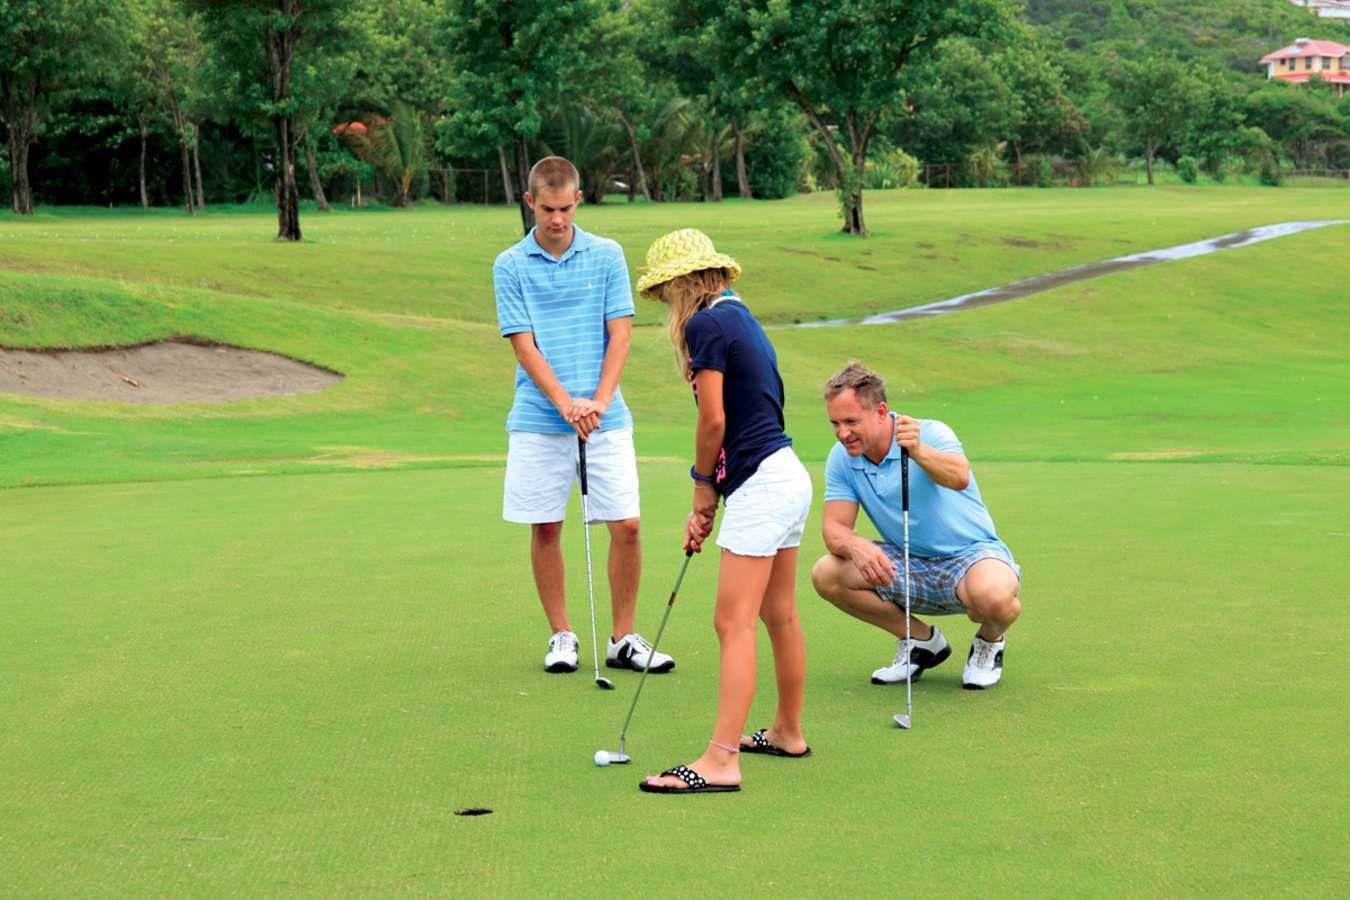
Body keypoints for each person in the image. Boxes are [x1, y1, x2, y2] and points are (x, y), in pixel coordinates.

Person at [635, 229, 812, 795]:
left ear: (684, 281)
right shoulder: (740, 315)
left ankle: (720, 760)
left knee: (731, 622)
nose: (665, 303)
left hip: (762, 482)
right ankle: (786, 730)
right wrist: (715, 485)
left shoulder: (706, 324)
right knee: (777, 613)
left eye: (665, 291)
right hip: (786, 474)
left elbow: (713, 421)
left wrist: (701, 490)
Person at [492, 156, 673, 676]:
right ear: (530, 202)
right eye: (547, 209)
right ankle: (562, 635)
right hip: (538, 416)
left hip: (605, 416)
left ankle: (623, 639)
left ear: (579, 201)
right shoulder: (510, 264)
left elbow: (620, 333)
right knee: (547, 527)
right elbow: (523, 345)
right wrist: (565, 404)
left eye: (565, 209)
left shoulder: (607, 255)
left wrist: (596, 399)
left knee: (629, 526)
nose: (556, 220)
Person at [811, 361, 1021, 690]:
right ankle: (921, 642)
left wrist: (919, 451)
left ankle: (989, 643)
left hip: (971, 557)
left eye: (851, 421)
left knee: (993, 597)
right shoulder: (842, 458)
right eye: (835, 423)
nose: (842, 433)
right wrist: (858, 546)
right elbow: (834, 530)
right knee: (827, 573)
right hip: (907, 559)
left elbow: (959, 476)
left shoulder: (930, 432)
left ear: (881, 411)